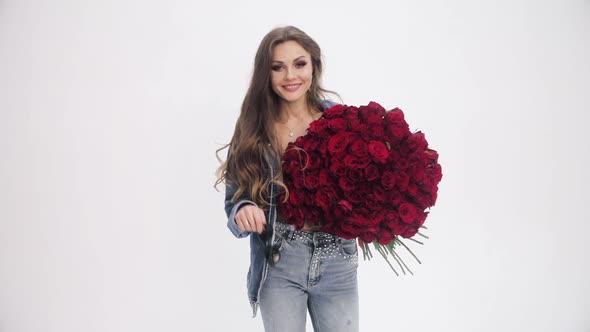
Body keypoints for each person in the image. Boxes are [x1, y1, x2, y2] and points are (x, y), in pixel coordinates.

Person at [216, 26, 359, 332]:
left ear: (314, 65)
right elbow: (235, 198)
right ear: (265, 74)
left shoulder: (340, 119)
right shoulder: (255, 126)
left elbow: (361, 184)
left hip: (337, 258)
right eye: (278, 67)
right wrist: (243, 210)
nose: (290, 76)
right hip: (280, 258)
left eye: (299, 64)